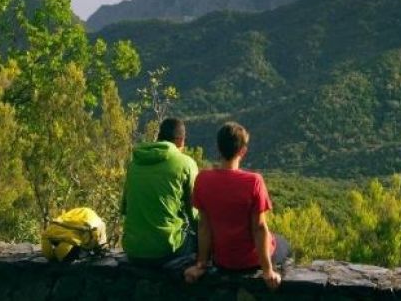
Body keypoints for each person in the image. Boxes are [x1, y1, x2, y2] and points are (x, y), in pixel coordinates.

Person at [184, 122, 288, 289]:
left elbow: (204, 226)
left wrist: (201, 264)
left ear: (218, 149)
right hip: (250, 261)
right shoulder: (254, 181)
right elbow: (259, 228)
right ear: (243, 151)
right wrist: (268, 270)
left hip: (222, 260)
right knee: (283, 243)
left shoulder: (202, 179)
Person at [122, 118, 199, 266]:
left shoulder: (134, 163)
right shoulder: (186, 163)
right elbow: (194, 214)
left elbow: (125, 208)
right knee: (201, 242)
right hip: (166, 249)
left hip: (132, 249)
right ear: (180, 140)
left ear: (159, 137)